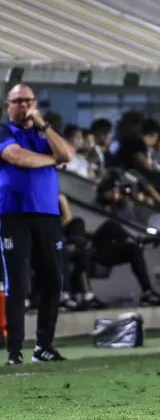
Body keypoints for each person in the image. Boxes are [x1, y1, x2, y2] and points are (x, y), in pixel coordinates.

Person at [0, 84, 76, 365]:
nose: (24, 106)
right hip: (14, 215)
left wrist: (44, 126)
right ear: (8, 106)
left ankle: (43, 346)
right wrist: (52, 160)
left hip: (47, 215)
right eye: (18, 101)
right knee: (18, 284)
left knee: (52, 281)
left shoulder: (45, 132)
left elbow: (68, 154)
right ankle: (15, 351)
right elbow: (17, 157)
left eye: (29, 100)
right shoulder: (4, 131)